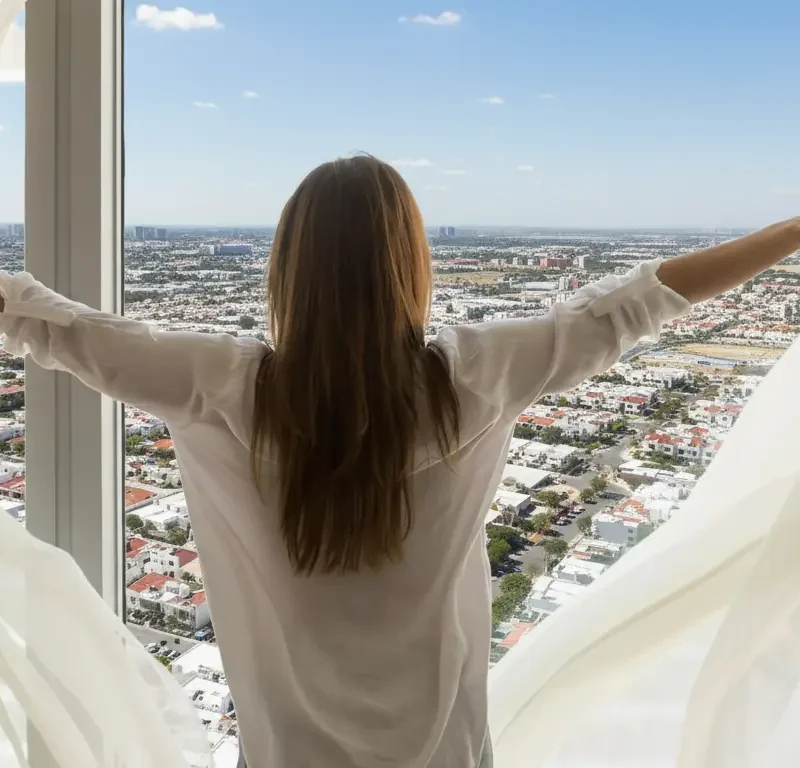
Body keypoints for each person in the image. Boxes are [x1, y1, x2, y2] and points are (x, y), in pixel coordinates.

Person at [1, 155, 798, 768]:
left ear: (288, 268)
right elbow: (639, 301)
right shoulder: (478, 377)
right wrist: (793, 230)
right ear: (409, 263)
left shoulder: (220, 387)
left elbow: (52, 326)